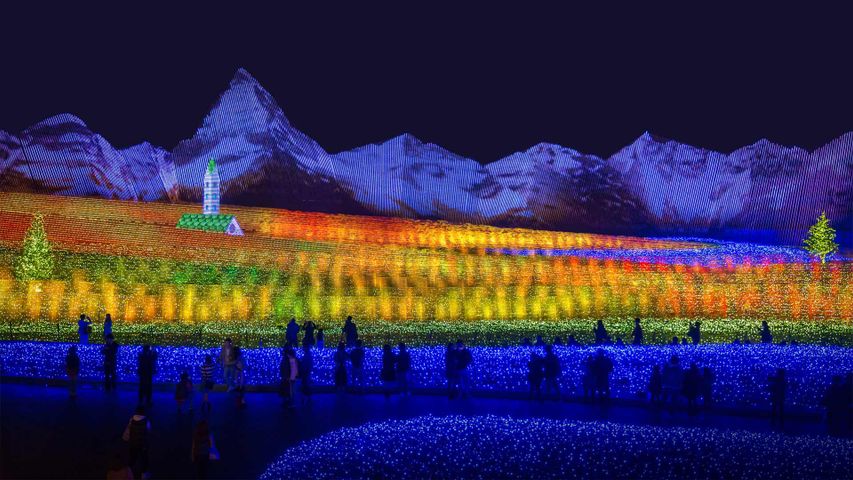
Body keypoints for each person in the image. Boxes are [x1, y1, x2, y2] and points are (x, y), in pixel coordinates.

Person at [124, 405, 151, 480]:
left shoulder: (131, 420)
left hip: (133, 443)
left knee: (132, 457)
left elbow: (128, 430)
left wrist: (125, 438)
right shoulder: (146, 421)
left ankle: (129, 472)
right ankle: (144, 474)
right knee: (144, 459)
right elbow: (148, 430)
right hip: (143, 444)